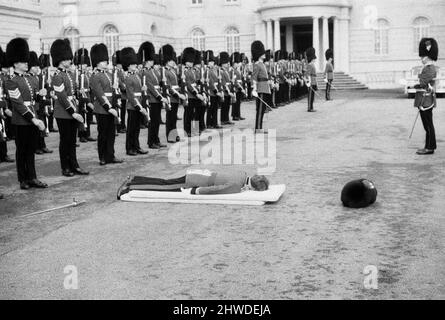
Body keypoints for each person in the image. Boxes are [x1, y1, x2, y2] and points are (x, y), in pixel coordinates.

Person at [5, 38, 48, 190]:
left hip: (32, 117)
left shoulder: (30, 79)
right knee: (21, 150)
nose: (26, 63)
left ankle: (32, 177)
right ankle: (22, 179)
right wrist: (34, 120)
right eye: (23, 62)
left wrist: (41, 95)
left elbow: (33, 100)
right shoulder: (11, 81)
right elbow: (19, 104)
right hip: (21, 120)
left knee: (30, 150)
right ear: (16, 63)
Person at [51, 38, 89, 177]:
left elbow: (73, 93)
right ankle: (65, 167)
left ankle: (74, 165)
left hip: (73, 109)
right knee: (65, 140)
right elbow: (61, 96)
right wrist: (73, 112)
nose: (70, 61)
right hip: (63, 112)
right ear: (60, 59)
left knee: (72, 140)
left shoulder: (70, 74)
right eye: (67, 59)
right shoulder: (57, 76)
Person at [117, 169, 270, 199]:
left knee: (164, 182)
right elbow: (217, 190)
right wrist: (196, 191)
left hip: (199, 174)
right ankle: (130, 186)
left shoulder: (242, 174)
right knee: (163, 187)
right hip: (195, 181)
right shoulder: (237, 186)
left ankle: (135, 178)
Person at [90, 43, 123, 166]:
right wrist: (109, 108)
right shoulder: (95, 76)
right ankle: (102, 156)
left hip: (111, 106)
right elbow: (100, 94)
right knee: (103, 134)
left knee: (111, 134)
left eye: (105, 60)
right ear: (97, 62)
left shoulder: (109, 74)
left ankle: (110, 155)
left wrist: (115, 88)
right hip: (102, 108)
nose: (105, 62)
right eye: (102, 61)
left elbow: (112, 92)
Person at [138, 42, 168, 149]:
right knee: (153, 122)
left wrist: (162, 80)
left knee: (157, 121)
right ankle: (151, 142)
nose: (152, 62)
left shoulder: (154, 71)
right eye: (150, 60)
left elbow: (158, 84)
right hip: (152, 99)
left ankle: (156, 140)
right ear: (146, 61)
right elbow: (150, 87)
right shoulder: (145, 72)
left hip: (157, 99)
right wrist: (160, 97)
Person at [121, 47, 149, 156]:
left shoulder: (136, 75)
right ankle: (129, 148)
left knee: (137, 128)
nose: (135, 66)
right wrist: (139, 106)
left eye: (135, 64)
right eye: (132, 65)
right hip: (133, 106)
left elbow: (138, 90)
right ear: (128, 66)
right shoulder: (128, 77)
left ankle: (136, 146)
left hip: (138, 103)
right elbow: (131, 95)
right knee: (131, 129)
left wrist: (143, 89)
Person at [414, 38, 439, 156]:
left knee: (428, 124)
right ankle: (429, 146)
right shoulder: (427, 68)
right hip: (424, 99)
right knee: (427, 124)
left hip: (426, 100)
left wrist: (417, 83)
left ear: (427, 57)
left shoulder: (429, 68)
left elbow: (423, 83)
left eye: (422, 56)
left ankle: (430, 148)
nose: (421, 59)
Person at [27, 51, 53, 155]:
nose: (37, 68)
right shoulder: (28, 78)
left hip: (40, 105)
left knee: (42, 126)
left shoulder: (39, 77)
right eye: (34, 66)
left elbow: (45, 89)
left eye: (37, 66)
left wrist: (47, 85)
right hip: (34, 106)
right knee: (35, 128)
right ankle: (36, 146)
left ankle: (42, 145)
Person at [161, 44, 184, 143]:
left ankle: (174, 135)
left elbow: (176, 84)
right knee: (170, 118)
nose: (173, 62)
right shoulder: (165, 72)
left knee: (174, 117)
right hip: (171, 97)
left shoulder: (173, 71)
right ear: (167, 61)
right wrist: (178, 94)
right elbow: (168, 87)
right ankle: (170, 136)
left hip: (175, 97)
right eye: (171, 60)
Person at [251, 40, 271, 134]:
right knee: (260, 110)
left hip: (265, 88)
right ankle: (258, 128)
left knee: (263, 110)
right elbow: (254, 78)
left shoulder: (262, 64)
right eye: (262, 53)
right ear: (259, 54)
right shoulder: (257, 65)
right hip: (261, 89)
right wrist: (254, 89)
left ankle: (260, 127)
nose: (265, 54)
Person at [0, 46, 14, 164]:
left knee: (2, 128)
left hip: (2, 104)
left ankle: (3, 154)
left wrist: (4, 105)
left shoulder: (3, 77)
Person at [305, 47, 318, 112]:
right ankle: (309, 108)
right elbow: (307, 74)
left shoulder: (312, 64)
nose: (314, 59)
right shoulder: (310, 65)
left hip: (313, 81)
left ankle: (311, 107)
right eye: (314, 59)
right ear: (312, 58)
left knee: (312, 96)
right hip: (311, 82)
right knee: (310, 96)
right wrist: (308, 82)